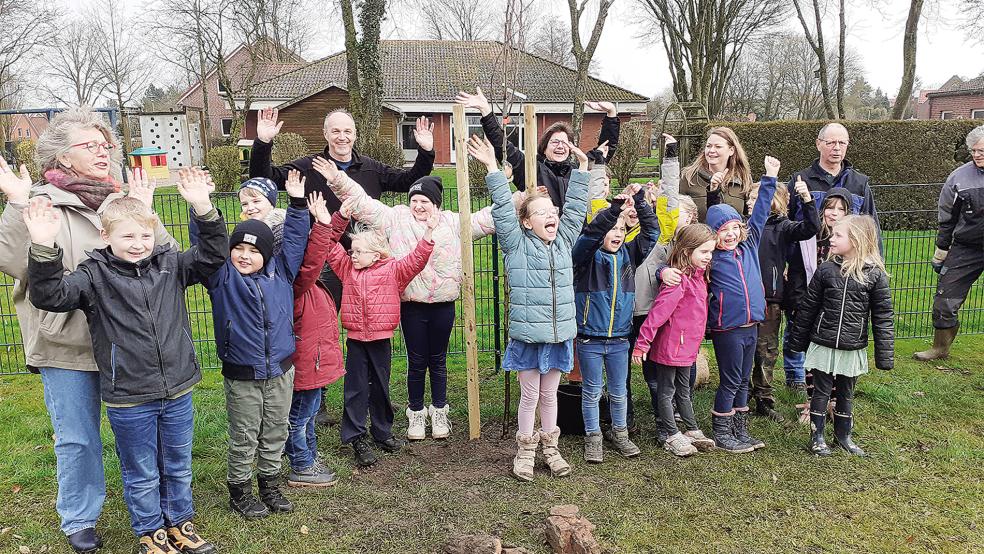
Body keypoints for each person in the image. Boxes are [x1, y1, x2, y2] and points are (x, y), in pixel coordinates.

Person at [0, 107, 174, 554]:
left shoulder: (119, 201)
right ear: (62, 156)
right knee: (78, 436)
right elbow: (17, 263)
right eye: (91, 145)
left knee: (145, 428)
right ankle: (80, 516)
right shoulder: (41, 201)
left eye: (106, 145)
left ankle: (160, 507)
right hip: (66, 342)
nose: (104, 151)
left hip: (127, 342)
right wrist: (18, 206)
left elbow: (164, 259)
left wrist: (148, 214)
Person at [25, 169, 224, 554]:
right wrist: (44, 247)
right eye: (127, 236)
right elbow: (50, 296)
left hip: (178, 389)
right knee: (142, 471)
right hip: (129, 396)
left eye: (145, 236)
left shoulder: (171, 266)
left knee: (179, 463)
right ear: (106, 236)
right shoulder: (93, 276)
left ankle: (180, 522)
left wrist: (203, 208)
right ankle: (151, 532)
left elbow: (213, 256)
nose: (138, 245)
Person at [249, 107, 437, 426]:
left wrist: (426, 150)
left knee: (366, 332)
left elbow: (410, 180)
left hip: (369, 264)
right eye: (335, 131)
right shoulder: (311, 167)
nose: (342, 136)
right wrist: (263, 143)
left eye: (347, 131)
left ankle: (364, 397)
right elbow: (267, 177)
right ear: (325, 135)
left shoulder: (369, 168)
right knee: (316, 330)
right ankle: (315, 397)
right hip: (324, 260)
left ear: (355, 134)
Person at [313, 154, 506, 441]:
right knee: (416, 361)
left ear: (436, 204)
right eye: (415, 199)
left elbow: (489, 217)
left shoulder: (453, 223)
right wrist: (337, 179)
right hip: (411, 304)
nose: (418, 205)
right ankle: (416, 413)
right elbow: (363, 203)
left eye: (424, 201)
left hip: (443, 303)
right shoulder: (395, 219)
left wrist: (523, 197)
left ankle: (439, 411)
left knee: (438, 361)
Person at [470, 133, 588, 481]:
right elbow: (504, 211)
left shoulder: (564, 241)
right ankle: (525, 450)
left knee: (550, 395)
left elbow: (577, 209)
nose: (551, 216)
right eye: (541, 213)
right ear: (526, 222)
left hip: (558, 335)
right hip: (528, 337)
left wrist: (582, 169)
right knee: (530, 395)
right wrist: (493, 167)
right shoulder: (515, 244)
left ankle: (551, 448)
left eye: (553, 211)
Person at [199, 170, 310, 519]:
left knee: (276, 429)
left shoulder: (282, 272)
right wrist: (200, 206)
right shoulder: (222, 277)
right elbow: (208, 243)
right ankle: (240, 490)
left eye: (253, 250)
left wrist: (296, 204)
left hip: (280, 370)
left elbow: (294, 239)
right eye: (238, 249)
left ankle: (270, 484)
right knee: (245, 434)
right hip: (243, 373)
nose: (244, 256)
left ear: (267, 253)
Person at [664, 156, 780, 453]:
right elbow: (682, 261)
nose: (730, 234)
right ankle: (722, 430)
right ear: (713, 236)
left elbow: (761, 214)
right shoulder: (710, 259)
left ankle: (740, 429)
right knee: (730, 379)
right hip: (727, 328)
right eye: (722, 230)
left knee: (743, 379)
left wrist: (769, 179)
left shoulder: (748, 247)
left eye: (734, 228)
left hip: (752, 324)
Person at [323, 196, 436, 467]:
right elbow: (329, 245)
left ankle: (382, 432)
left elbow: (417, 260)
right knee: (355, 389)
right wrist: (335, 219)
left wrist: (429, 233)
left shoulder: (393, 270)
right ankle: (356, 437)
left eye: (359, 251)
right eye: (352, 250)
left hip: (380, 339)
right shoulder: (346, 268)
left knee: (381, 387)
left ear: (377, 254)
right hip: (356, 341)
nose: (353, 255)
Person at [784, 122, 882, 390]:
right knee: (799, 317)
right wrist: (784, 261)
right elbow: (789, 223)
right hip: (805, 266)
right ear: (818, 144)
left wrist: (875, 264)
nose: (836, 148)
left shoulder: (859, 183)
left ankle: (829, 377)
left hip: (844, 269)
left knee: (831, 319)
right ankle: (795, 375)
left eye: (842, 143)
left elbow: (871, 226)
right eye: (831, 142)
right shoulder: (800, 179)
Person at [787, 215, 894, 456]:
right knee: (821, 391)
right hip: (823, 342)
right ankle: (817, 437)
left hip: (852, 346)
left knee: (846, 393)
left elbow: (883, 317)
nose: (831, 238)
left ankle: (843, 436)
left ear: (855, 240)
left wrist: (884, 355)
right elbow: (809, 308)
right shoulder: (825, 270)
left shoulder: (875, 276)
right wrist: (797, 341)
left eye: (837, 235)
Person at [572, 182, 658, 463]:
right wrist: (613, 212)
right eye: (613, 229)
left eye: (622, 229)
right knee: (593, 391)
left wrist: (641, 203)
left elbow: (652, 232)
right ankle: (593, 436)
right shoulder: (585, 257)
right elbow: (590, 234)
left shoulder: (630, 256)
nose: (617, 234)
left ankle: (620, 434)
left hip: (621, 339)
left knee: (619, 391)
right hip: (590, 340)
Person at [632, 224, 718, 457]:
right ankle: (670, 434)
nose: (708, 257)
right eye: (703, 252)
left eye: (710, 252)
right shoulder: (678, 281)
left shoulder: (700, 278)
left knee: (684, 390)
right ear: (686, 250)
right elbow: (656, 315)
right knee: (667, 390)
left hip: (688, 349)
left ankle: (691, 430)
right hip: (671, 348)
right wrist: (642, 344)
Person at [455, 87, 617, 208]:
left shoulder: (580, 170)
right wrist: (486, 111)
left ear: (571, 148)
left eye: (565, 142)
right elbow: (501, 144)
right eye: (554, 142)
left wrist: (611, 113)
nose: (560, 146)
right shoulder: (531, 169)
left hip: (573, 242)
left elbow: (605, 149)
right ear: (544, 148)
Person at [744, 176, 819, 422]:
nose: (750, 202)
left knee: (766, 351)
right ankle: (741, 395)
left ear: (773, 201)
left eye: (757, 198)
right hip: (744, 299)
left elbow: (810, 228)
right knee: (744, 349)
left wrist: (807, 200)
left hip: (770, 299)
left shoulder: (782, 227)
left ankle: (764, 399)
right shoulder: (742, 228)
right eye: (750, 198)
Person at [284, 191, 346, 488]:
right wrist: (321, 226)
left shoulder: (309, 282)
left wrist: (339, 218)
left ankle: (308, 455)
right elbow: (313, 258)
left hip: (315, 362)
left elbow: (322, 249)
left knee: (308, 413)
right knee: (299, 416)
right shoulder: (298, 282)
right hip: (308, 363)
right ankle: (301, 464)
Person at [914, 126, 984, 361]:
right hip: (966, 248)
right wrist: (941, 251)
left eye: (982, 150)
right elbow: (947, 218)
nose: (977, 155)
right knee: (945, 298)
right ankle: (940, 348)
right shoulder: (958, 178)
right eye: (974, 150)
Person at [678, 127, 755, 222]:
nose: (711, 150)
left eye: (718, 146)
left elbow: (749, 216)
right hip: (698, 235)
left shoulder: (743, 178)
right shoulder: (689, 177)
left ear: (731, 150)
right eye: (708, 146)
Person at [238, 176, 286, 249]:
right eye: (244, 204)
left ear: (271, 203)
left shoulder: (281, 231)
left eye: (256, 201)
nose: (250, 208)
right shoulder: (243, 230)